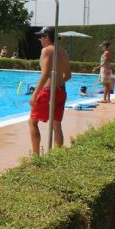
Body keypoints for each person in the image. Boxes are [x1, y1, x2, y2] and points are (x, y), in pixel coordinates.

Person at [29, 26, 72, 155]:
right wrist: (58, 83)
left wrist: (35, 94)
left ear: (47, 36)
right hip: (61, 91)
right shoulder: (63, 52)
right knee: (57, 125)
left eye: (41, 37)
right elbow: (68, 75)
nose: (39, 39)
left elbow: (45, 73)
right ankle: (57, 157)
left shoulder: (47, 50)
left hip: (48, 91)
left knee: (32, 122)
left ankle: (36, 157)